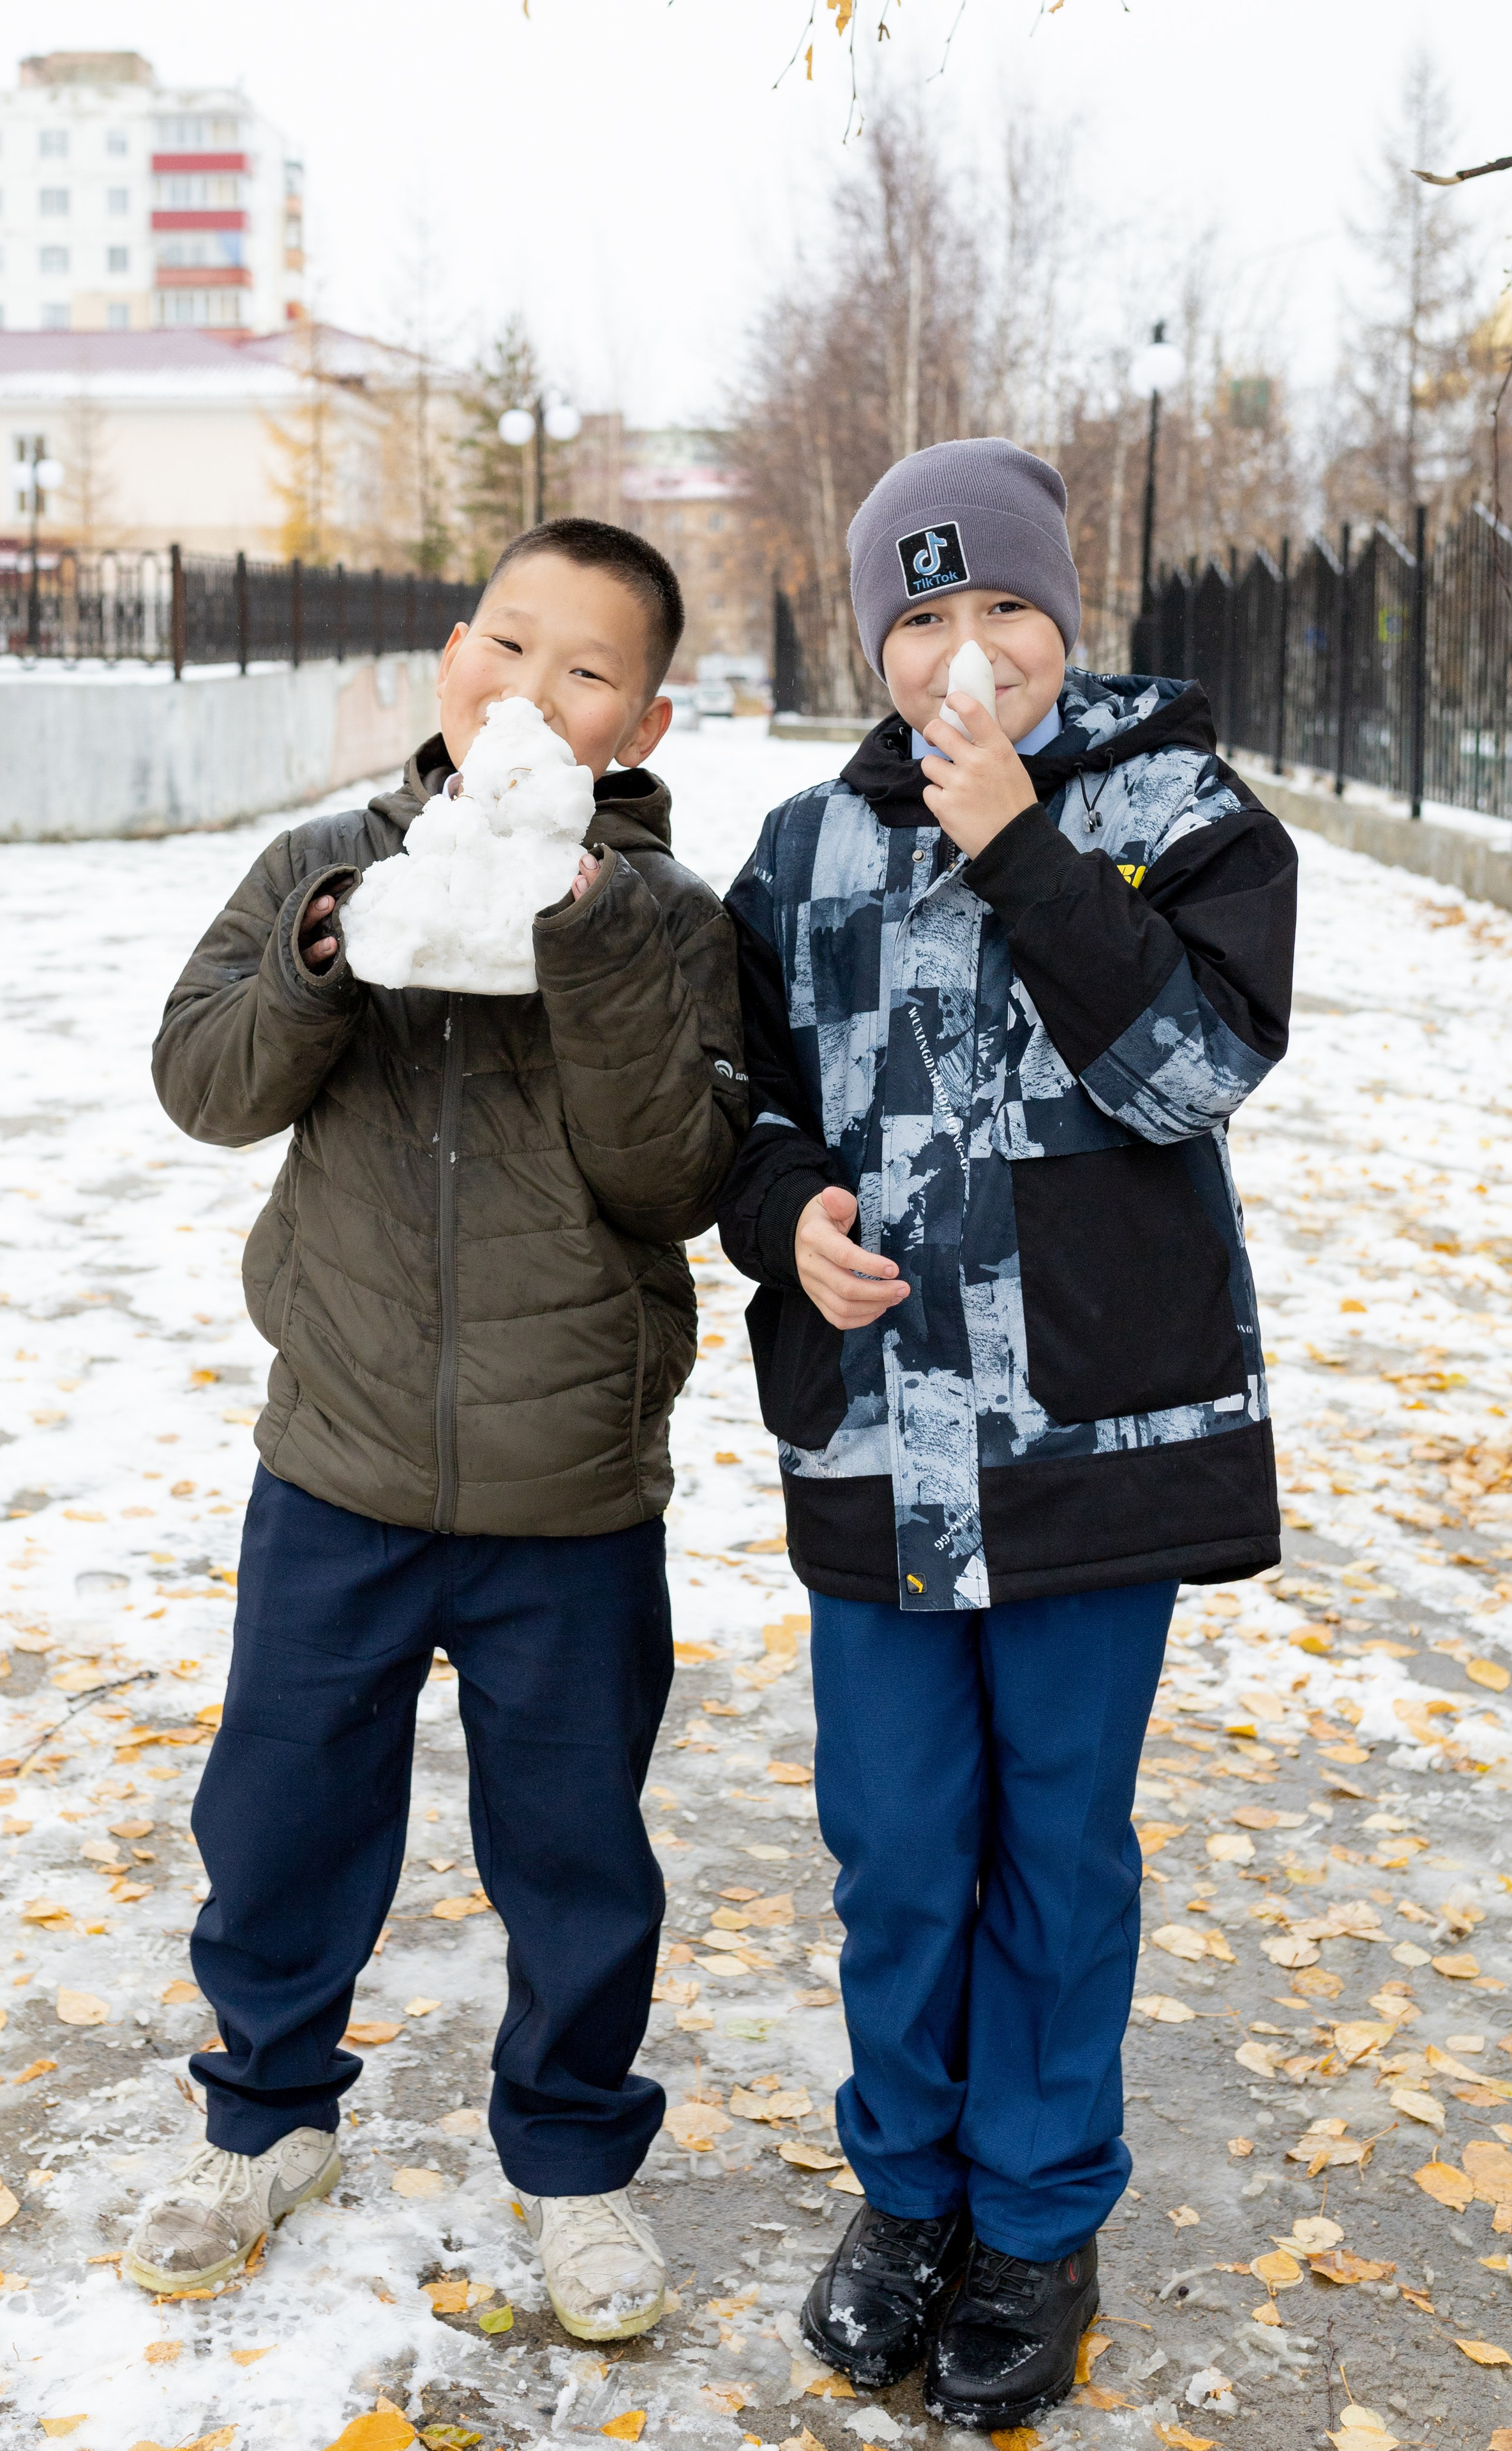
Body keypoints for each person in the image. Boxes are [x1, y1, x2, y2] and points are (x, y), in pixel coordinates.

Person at [717, 440, 1295, 2429]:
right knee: (894, 1842)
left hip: (1088, 1445)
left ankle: (1038, 2212)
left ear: (1068, 616)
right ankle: (907, 2197)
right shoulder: (797, 850)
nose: (970, 657)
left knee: (1057, 1836)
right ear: (881, 639)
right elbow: (743, 1096)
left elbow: (1196, 1065)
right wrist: (781, 1211)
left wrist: (1026, 850)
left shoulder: (1172, 809)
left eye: (1008, 614)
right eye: (926, 619)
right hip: (885, 1440)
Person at [136, 518, 746, 2339]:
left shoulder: (675, 921)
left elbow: (681, 1173)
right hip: (338, 1459)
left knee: (573, 1847)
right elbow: (202, 1083)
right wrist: (330, 955)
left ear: (638, 725)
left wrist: (589, 942)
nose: (531, 691)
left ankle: (573, 2163)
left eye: (586, 671)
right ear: (447, 653)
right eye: (508, 644)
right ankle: (265, 2115)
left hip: (568, 1488)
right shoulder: (319, 862)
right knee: (283, 1810)